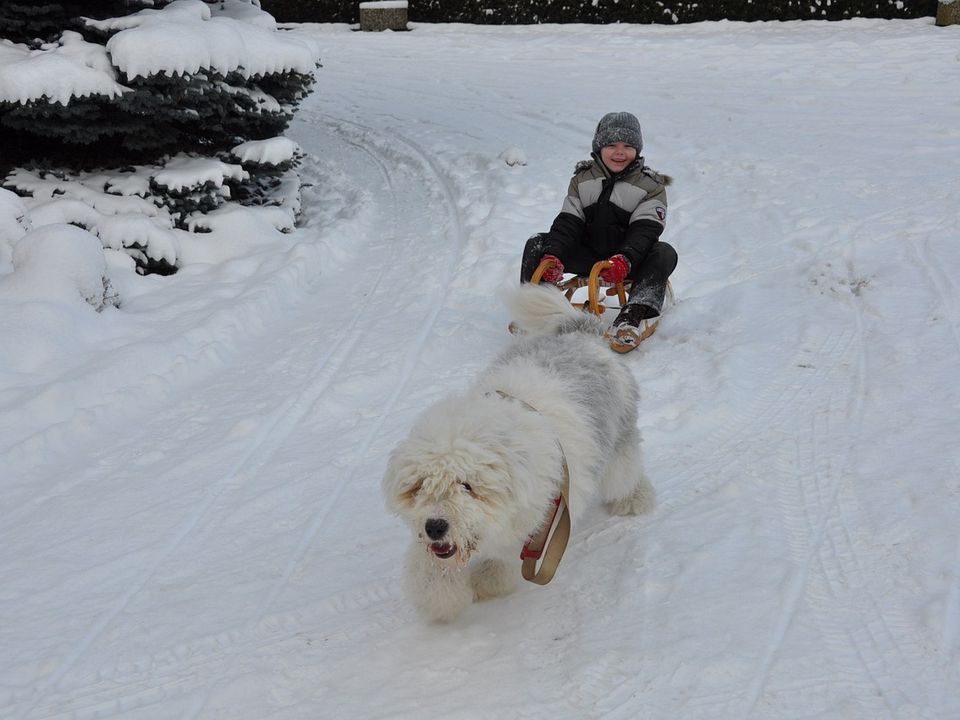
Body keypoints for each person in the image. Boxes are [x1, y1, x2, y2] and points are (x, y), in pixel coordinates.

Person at [520, 111, 677, 351]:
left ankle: (634, 314)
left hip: (629, 260)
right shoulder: (583, 180)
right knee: (538, 243)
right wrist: (555, 255)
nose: (619, 152)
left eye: (627, 145)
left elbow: (645, 230)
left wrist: (625, 259)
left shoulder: (650, 185)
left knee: (664, 252)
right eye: (611, 145)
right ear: (598, 147)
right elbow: (569, 222)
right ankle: (537, 307)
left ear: (638, 149)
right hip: (589, 253)